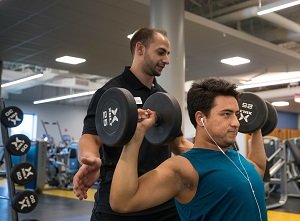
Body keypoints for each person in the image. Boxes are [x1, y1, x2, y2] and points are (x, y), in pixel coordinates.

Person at [72, 27, 193, 221]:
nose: (167, 60)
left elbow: (179, 144)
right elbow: (91, 137)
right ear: (140, 49)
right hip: (119, 199)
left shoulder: (163, 98)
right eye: (161, 52)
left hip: (161, 197)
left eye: (168, 54)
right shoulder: (110, 93)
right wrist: (91, 158)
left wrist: (212, 158)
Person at [110, 77, 268, 221]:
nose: (236, 122)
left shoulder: (235, 157)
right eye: (226, 114)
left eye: (236, 114)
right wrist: (136, 137)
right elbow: (122, 201)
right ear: (201, 118)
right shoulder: (186, 167)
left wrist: (256, 127)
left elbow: (259, 168)